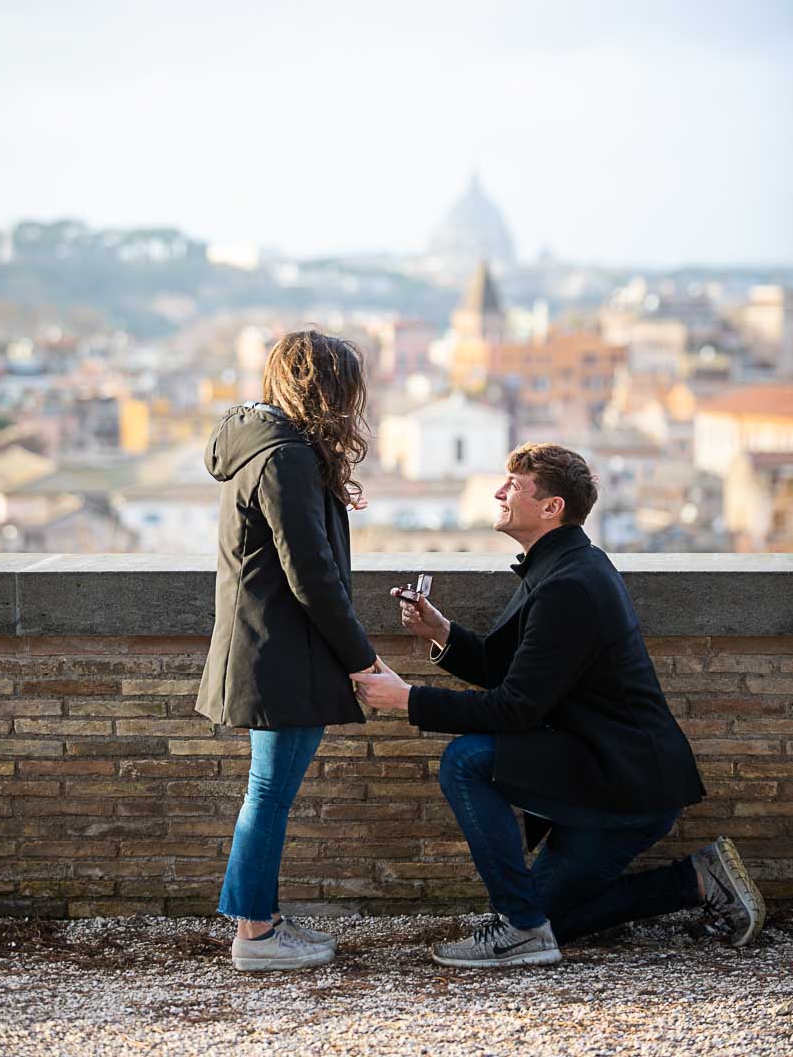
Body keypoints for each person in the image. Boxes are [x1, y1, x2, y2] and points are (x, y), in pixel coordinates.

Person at [352, 442, 766, 969]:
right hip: (602, 768)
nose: (499, 492)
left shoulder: (569, 582)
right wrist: (443, 633)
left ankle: (522, 929)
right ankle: (696, 879)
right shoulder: (561, 565)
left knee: (467, 763)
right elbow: (522, 677)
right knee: (549, 920)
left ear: (552, 508)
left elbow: (514, 709)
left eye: (514, 486)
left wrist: (407, 699)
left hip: (623, 784)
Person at [196, 330, 378, 971]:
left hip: (271, 650)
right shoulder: (285, 457)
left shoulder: (265, 448)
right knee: (268, 792)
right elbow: (313, 575)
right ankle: (255, 934)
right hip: (280, 656)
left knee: (266, 790)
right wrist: (364, 659)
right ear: (325, 387)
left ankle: (259, 917)